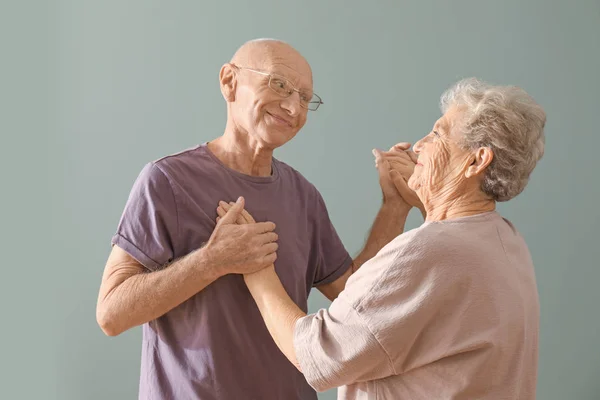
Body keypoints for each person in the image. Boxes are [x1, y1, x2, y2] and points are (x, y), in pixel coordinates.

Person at [95, 38, 417, 400]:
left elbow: (354, 295)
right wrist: (210, 261)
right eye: (278, 84)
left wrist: (395, 205)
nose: (293, 107)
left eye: (305, 98)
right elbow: (111, 313)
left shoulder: (304, 196)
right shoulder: (166, 181)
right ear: (229, 82)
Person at [222, 77, 546, 400]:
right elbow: (384, 312)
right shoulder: (504, 237)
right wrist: (404, 204)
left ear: (476, 161)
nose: (418, 145)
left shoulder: (431, 251)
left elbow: (317, 355)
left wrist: (256, 268)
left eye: (436, 134)